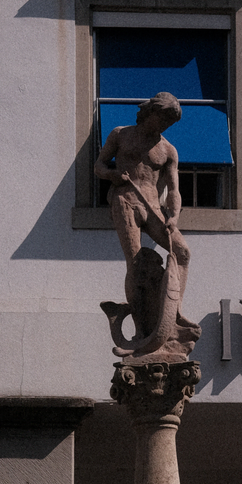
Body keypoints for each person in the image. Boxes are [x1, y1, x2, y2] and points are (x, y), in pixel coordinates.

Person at [93, 91, 193, 335]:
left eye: (169, 123)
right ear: (151, 112)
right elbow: (99, 166)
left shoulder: (168, 150)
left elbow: (174, 190)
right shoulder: (121, 134)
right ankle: (141, 326)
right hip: (125, 200)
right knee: (135, 263)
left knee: (182, 252)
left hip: (153, 207)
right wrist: (112, 175)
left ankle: (174, 313)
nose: (165, 126)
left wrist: (174, 217)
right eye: (163, 120)